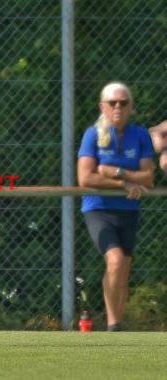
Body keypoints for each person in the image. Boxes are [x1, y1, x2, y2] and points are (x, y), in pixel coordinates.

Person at [77, 81, 154, 331]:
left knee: (123, 270)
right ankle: (113, 325)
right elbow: (86, 178)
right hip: (98, 209)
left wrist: (115, 171)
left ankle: (116, 323)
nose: (117, 107)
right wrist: (123, 183)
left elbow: (147, 177)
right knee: (115, 261)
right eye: (112, 103)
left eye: (123, 102)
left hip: (129, 209)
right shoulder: (92, 134)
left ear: (131, 106)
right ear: (103, 106)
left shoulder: (140, 135)